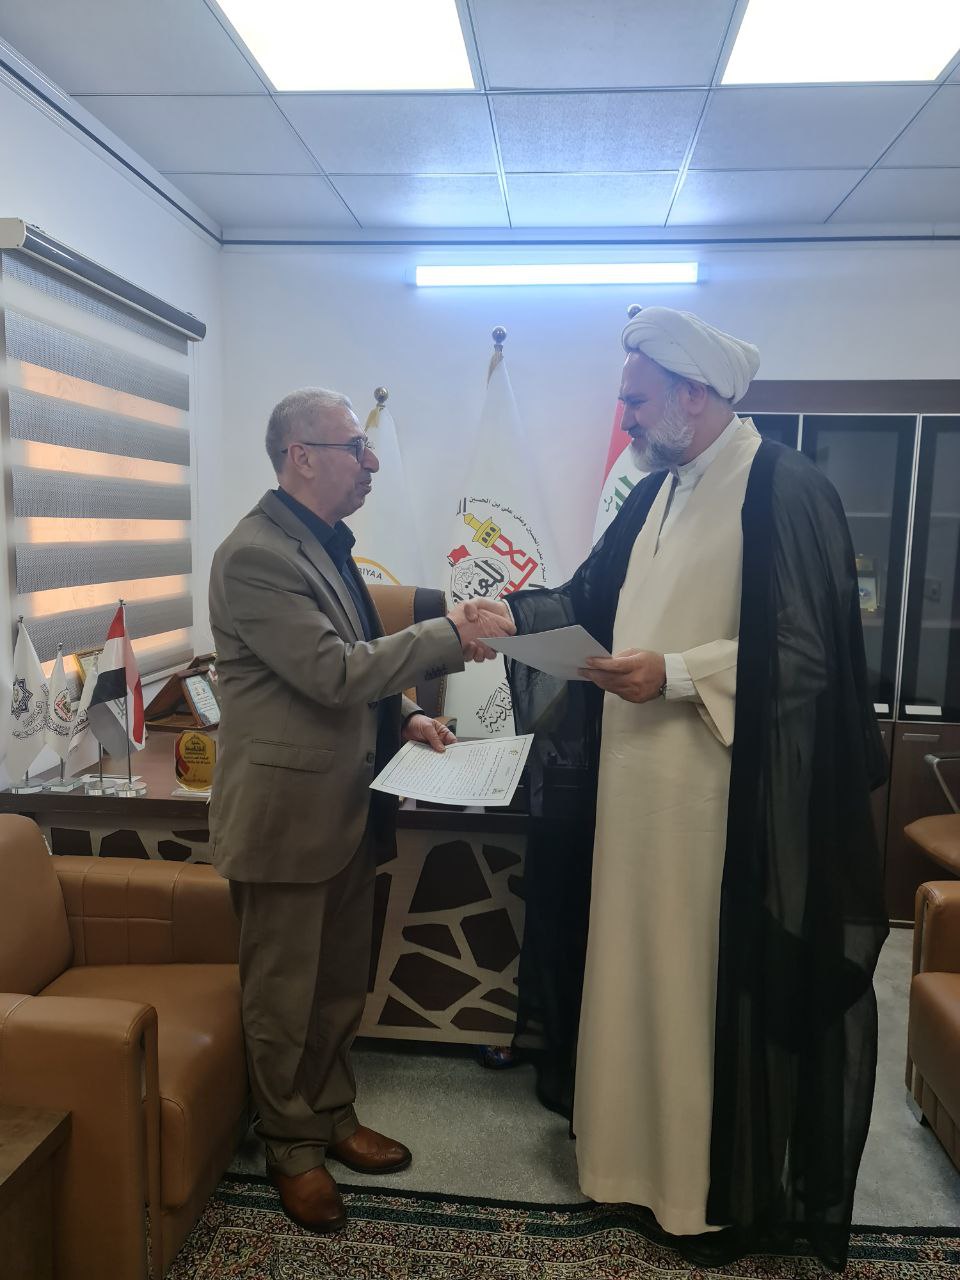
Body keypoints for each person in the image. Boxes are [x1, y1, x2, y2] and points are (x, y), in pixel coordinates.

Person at [499, 308, 888, 1270]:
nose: (625, 417)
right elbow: (585, 600)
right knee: (631, 972)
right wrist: (502, 615)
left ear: (693, 393)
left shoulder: (784, 487)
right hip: (632, 792)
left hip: (718, 807)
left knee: (691, 988)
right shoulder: (652, 493)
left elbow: (808, 657)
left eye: (635, 400)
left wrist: (674, 673)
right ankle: (625, 1168)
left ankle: (698, 1198)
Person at [208, 387, 514, 1234]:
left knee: (341, 985)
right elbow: (333, 672)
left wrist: (406, 715)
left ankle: (332, 1114)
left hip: (345, 807)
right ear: (301, 456)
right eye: (355, 447)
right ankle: (290, 1145)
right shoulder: (255, 556)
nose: (370, 462)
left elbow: (358, 664)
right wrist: (451, 629)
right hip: (285, 820)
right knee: (284, 999)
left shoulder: (325, 544)